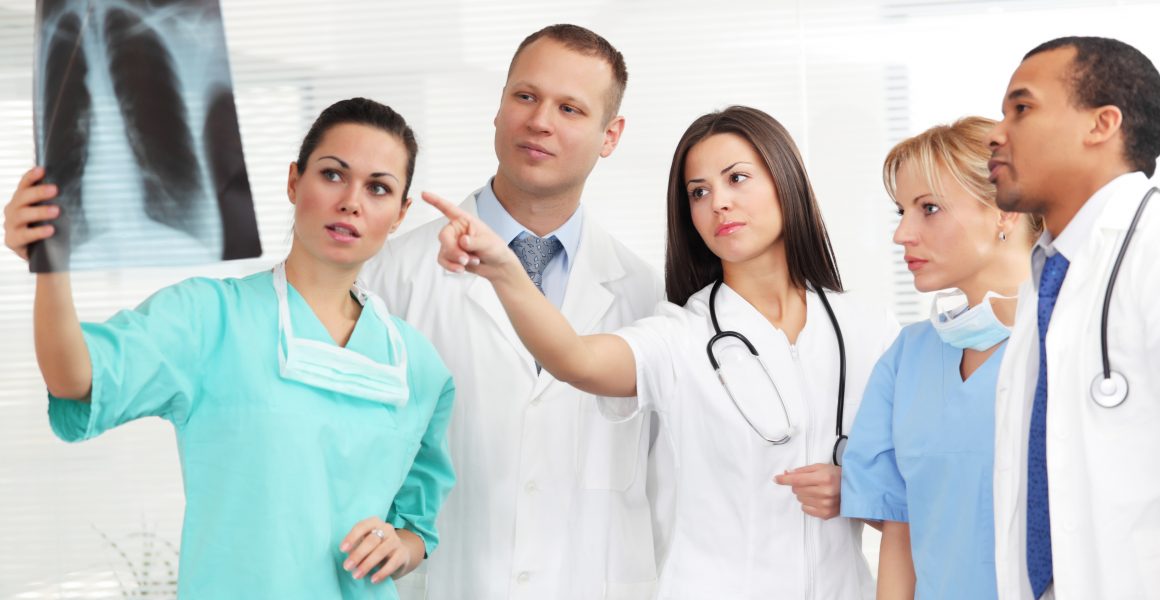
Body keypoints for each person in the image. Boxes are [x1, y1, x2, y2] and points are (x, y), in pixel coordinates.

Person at [422, 105, 900, 599]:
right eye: (699, 191)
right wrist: (504, 268)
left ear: (786, 180)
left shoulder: (870, 329)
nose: (719, 203)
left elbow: (919, 497)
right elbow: (574, 360)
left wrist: (858, 492)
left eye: (737, 178)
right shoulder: (681, 337)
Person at [2, 98, 455, 599]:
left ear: (400, 214)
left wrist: (401, 546)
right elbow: (76, 378)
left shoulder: (418, 366)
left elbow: (417, 525)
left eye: (378, 188)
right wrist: (51, 265)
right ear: (293, 182)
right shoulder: (209, 319)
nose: (352, 201)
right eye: (332, 175)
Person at [360, 25, 665, 599]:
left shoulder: (646, 296)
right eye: (525, 96)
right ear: (498, 108)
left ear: (610, 135)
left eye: (571, 108)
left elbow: (666, 485)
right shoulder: (392, 275)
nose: (540, 121)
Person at [987, 37, 1160, 599]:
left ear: (1102, 124)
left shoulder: (1158, 250)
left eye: (1022, 108)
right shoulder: (1049, 271)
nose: (997, 133)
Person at [840, 117, 1039, 599]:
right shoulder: (907, 358)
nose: (903, 234)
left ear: (1005, 212)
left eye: (928, 208)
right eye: (901, 212)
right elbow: (900, 531)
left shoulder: (1067, 344)